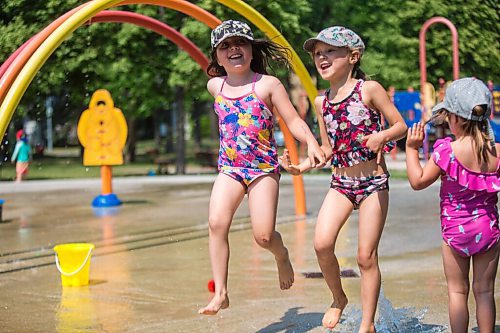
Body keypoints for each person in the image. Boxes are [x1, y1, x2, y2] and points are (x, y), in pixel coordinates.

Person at [280, 26, 407, 332]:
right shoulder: (322, 102)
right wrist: (302, 167)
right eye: (317, 53)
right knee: (322, 244)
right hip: (341, 184)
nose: (321, 57)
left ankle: (367, 324)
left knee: (365, 257)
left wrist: (381, 137)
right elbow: (327, 148)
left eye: (329, 51)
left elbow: (401, 126)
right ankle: (339, 298)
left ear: (353, 56)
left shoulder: (369, 89)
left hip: (373, 183)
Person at [198, 20, 327, 315]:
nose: (234, 49)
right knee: (216, 223)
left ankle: (281, 256)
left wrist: (311, 141)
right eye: (225, 46)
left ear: (251, 50)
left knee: (264, 236)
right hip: (229, 168)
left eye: (240, 43)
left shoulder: (267, 85)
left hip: (262, 170)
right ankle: (221, 293)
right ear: (216, 56)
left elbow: (293, 120)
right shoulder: (215, 85)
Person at [405, 77, 499, 332]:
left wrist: (412, 149)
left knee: (458, 292)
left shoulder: (446, 151)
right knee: (485, 291)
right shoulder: (496, 152)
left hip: (455, 233)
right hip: (488, 230)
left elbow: (417, 181)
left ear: (455, 118)